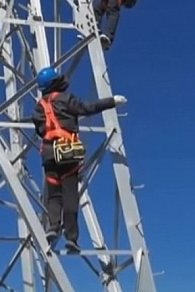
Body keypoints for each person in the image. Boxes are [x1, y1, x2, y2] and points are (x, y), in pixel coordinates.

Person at [31, 66, 127, 252]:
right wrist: (111, 102)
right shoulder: (66, 99)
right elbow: (87, 108)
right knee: (70, 195)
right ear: (55, 82)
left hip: (49, 155)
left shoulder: (38, 107)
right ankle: (71, 238)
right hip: (67, 152)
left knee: (53, 195)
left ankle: (52, 227)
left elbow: (40, 130)